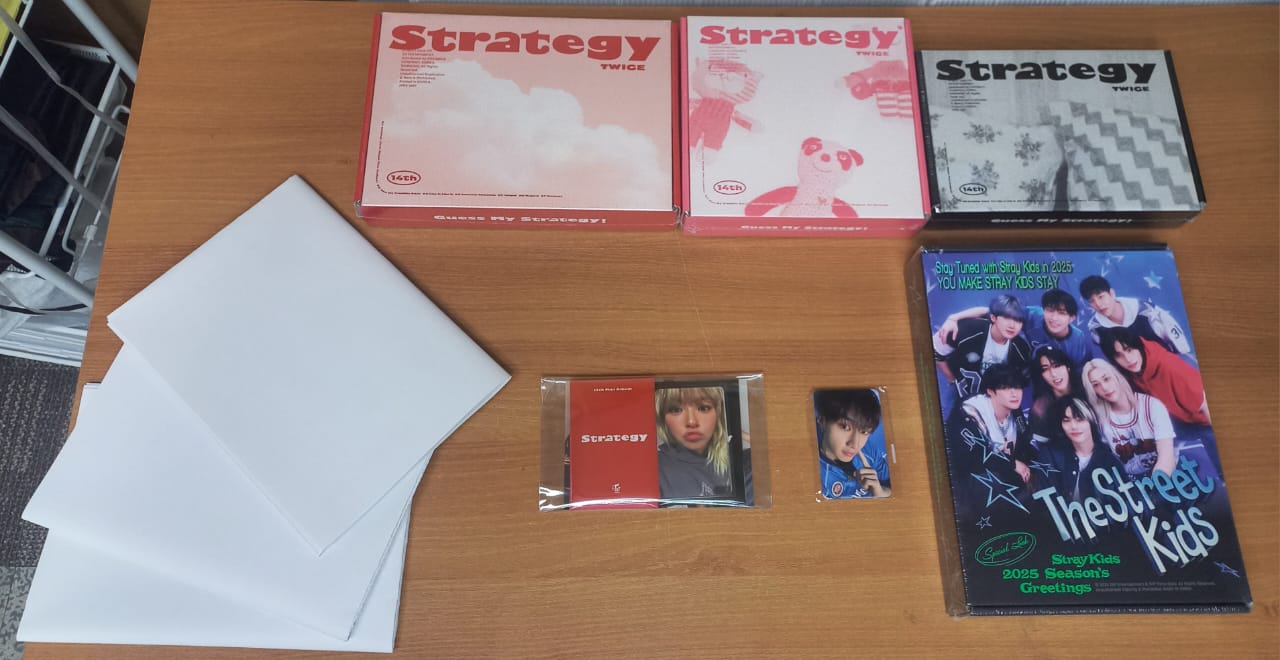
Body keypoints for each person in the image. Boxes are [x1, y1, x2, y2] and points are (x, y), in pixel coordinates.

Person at [945, 364, 1036, 512]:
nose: (1014, 394)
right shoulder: (968, 412)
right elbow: (970, 460)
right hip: (968, 481)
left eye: (1017, 387)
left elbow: (1024, 445)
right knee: (990, 483)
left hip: (1002, 473)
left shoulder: (1014, 411)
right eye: (1006, 388)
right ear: (990, 391)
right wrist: (1012, 464)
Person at [936, 288, 1096, 368]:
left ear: (1072, 318)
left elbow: (1082, 371)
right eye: (1050, 310)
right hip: (1031, 369)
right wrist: (953, 318)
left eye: (1061, 313)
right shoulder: (1032, 315)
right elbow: (989, 311)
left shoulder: (1077, 341)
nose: (1054, 318)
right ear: (1044, 310)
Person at [1081, 359, 1177, 477]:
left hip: (1166, 477)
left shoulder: (1152, 406)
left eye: (1106, 379)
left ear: (1116, 376)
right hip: (1131, 483)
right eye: (1096, 385)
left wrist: (1157, 484)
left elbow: (1166, 457)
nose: (1104, 387)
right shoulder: (1100, 420)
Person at [933, 294, 1033, 403]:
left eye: (1018, 320)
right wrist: (952, 379)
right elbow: (935, 351)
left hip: (996, 400)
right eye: (1006, 317)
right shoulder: (968, 330)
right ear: (993, 318)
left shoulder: (1021, 350)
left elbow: (1021, 381)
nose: (1012, 325)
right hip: (961, 392)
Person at [655, 386, 747, 503]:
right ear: (662, 417)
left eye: (703, 408)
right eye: (676, 410)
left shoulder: (744, 462)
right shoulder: (655, 470)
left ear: (719, 412)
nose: (691, 422)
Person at [1101, 327, 1210, 425]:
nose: (1128, 359)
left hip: (1200, 420)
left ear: (1138, 346)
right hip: (1176, 415)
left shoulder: (1172, 369)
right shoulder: (1132, 368)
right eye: (1119, 355)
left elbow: (1205, 405)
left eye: (1129, 350)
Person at [1037, 397, 1126, 503]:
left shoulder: (1110, 462)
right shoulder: (1051, 455)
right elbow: (1047, 501)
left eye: (1080, 419)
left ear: (1091, 421)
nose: (1073, 426)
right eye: (1066, 420)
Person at [1079, 275, 1192, 357]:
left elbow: (1180, 346)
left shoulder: (1146, 310)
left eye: (1101, 297)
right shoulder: (1095, 327)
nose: (1098, 304)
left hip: (1166, 362)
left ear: (1112, 293)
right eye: (1092, 301)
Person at [814, 389, 890, 499]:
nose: (855, 444)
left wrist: (880, 492)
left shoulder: (867, 451)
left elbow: (897, 489)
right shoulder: (817, 479)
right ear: (823, 421)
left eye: (864, 431)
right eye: (845, 427)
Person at [1028, 345, 1084, 446]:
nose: (1053, 374)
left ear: (1068, 367)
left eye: (1057, 366)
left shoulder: (1086, 387)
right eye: (1045, 369)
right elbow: (1043, 448)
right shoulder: (1040, 410)